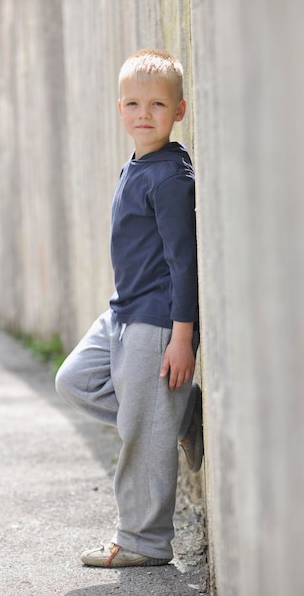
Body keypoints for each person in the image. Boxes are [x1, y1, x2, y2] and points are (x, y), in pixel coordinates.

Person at [55, 48, 203, 568]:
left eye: (158, 105)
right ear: (120, 108)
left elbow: (185, 264)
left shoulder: (170, 177)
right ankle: (178, 414)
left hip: (157, 321)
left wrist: (182, 337)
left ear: (179, 111)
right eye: (134, 103)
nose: (145, 114)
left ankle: (143, 541)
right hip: (122, 312)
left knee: (143, 431)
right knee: (74, 380)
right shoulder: (139, 165)